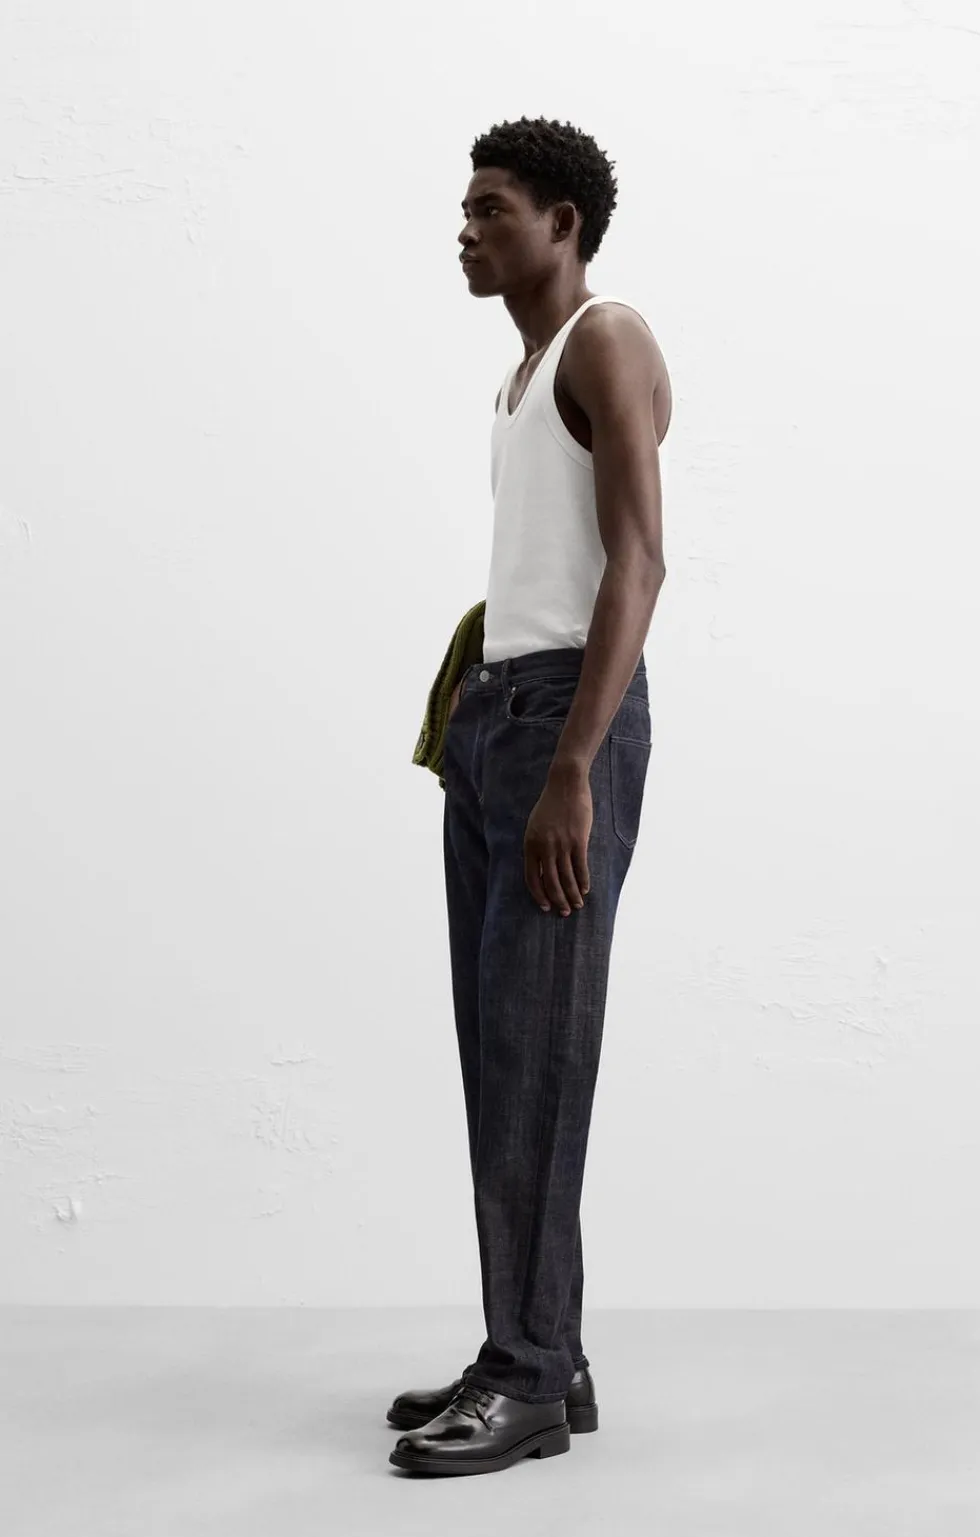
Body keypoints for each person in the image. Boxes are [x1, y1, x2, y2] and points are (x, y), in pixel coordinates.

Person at [388, 115, 671, 1478]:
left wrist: (571, 770)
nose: (467, 229)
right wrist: (483, 718)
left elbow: (640, 564)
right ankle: (542, 1346)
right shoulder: (518, 381)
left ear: (563, 223)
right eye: (465, 208)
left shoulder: (606, 339)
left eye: (491, 207)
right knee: (501, 1052)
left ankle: (529, 1382)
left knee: (537, 1056)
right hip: (501, 721)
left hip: (567, 726)